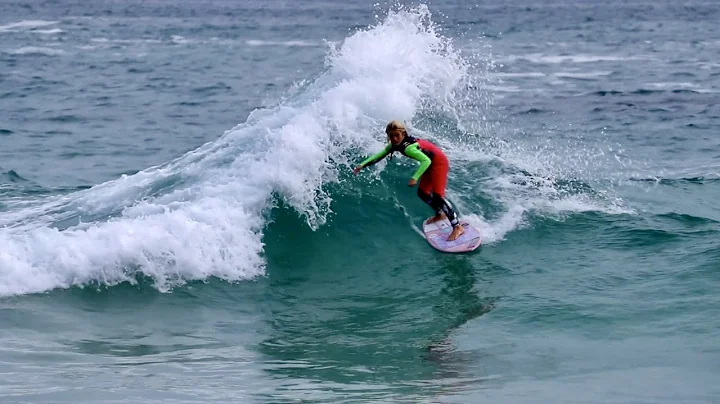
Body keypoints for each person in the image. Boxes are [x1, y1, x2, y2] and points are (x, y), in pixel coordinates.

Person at [353, 120, 465, 241]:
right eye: (391, 136)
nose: (394, 138)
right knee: (422, 193)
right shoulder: (394, 145)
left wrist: (415, 177)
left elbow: (426, 161)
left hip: (439, 163)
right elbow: (379, 155)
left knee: (438, 196)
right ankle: (440, 214)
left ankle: (457, 227)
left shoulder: (409, 148)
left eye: (397, 135)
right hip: (430, 164)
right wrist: (362, 165)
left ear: (403, 134)